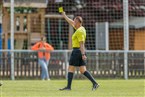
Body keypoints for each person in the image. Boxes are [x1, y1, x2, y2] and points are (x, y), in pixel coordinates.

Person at [59, 11, 99, 91]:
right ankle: (95, 83)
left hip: (77, 51)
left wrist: (83, 54)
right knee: (82, 70)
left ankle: (68, 87)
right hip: (80, 51)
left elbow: (81, 43)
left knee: (70, 68)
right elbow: (71, 22)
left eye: (75, 21)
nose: (73, 22)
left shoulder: (80, 31)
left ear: (79, 23)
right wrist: (64, 15)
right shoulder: (80, 29)